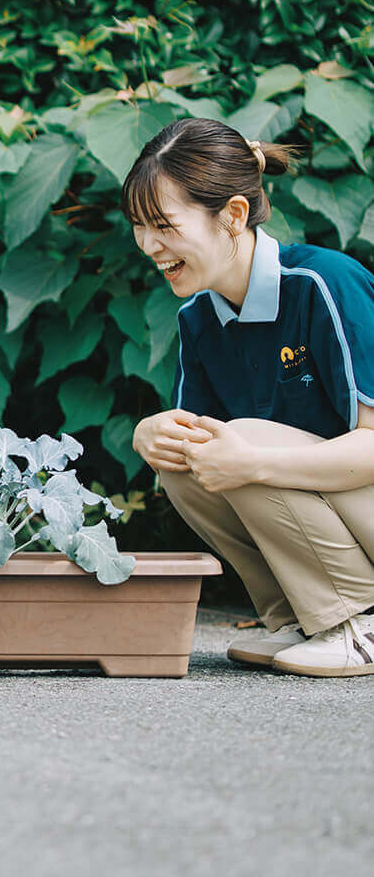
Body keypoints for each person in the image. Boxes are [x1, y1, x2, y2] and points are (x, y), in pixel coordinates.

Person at [127, 117, 374, 677]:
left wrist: (256, 458)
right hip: (340, 520)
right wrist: (150, 434)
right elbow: (201, 453)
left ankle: (357, 623)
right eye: (138, 227)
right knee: (185, 456)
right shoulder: (197, 319)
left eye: (163, 224)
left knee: (242, 445)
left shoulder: (324, 283)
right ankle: (296, 618)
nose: (148, 245)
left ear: (233, 215)